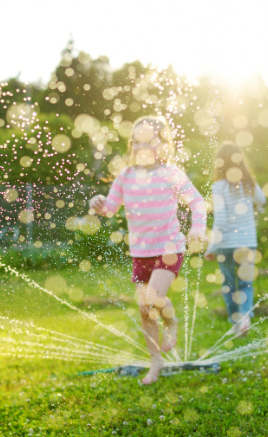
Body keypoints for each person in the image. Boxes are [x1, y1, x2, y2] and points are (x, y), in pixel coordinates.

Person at [89, 116, 206, 384]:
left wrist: (197, 228)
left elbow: (197, 202)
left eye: (149, 140)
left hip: (169, 248)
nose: (142, 146)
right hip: (140, 253)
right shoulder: (126, 176)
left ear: (163, 143)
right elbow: (110, 208)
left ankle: (171, 321)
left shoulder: (171, 174)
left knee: (152, 298)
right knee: (144, 309)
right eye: (137, 140)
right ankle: (156, 362)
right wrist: (98, 204)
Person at [204, 142, 265, 337]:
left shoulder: (218, 187)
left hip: (227, 245)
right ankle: (245, 317)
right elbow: (262, 199)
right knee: (246, 284)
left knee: (229, 285)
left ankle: (236, 323)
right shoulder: (248, 184)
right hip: (247, 243)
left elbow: (220, 220)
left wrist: (211, 247)